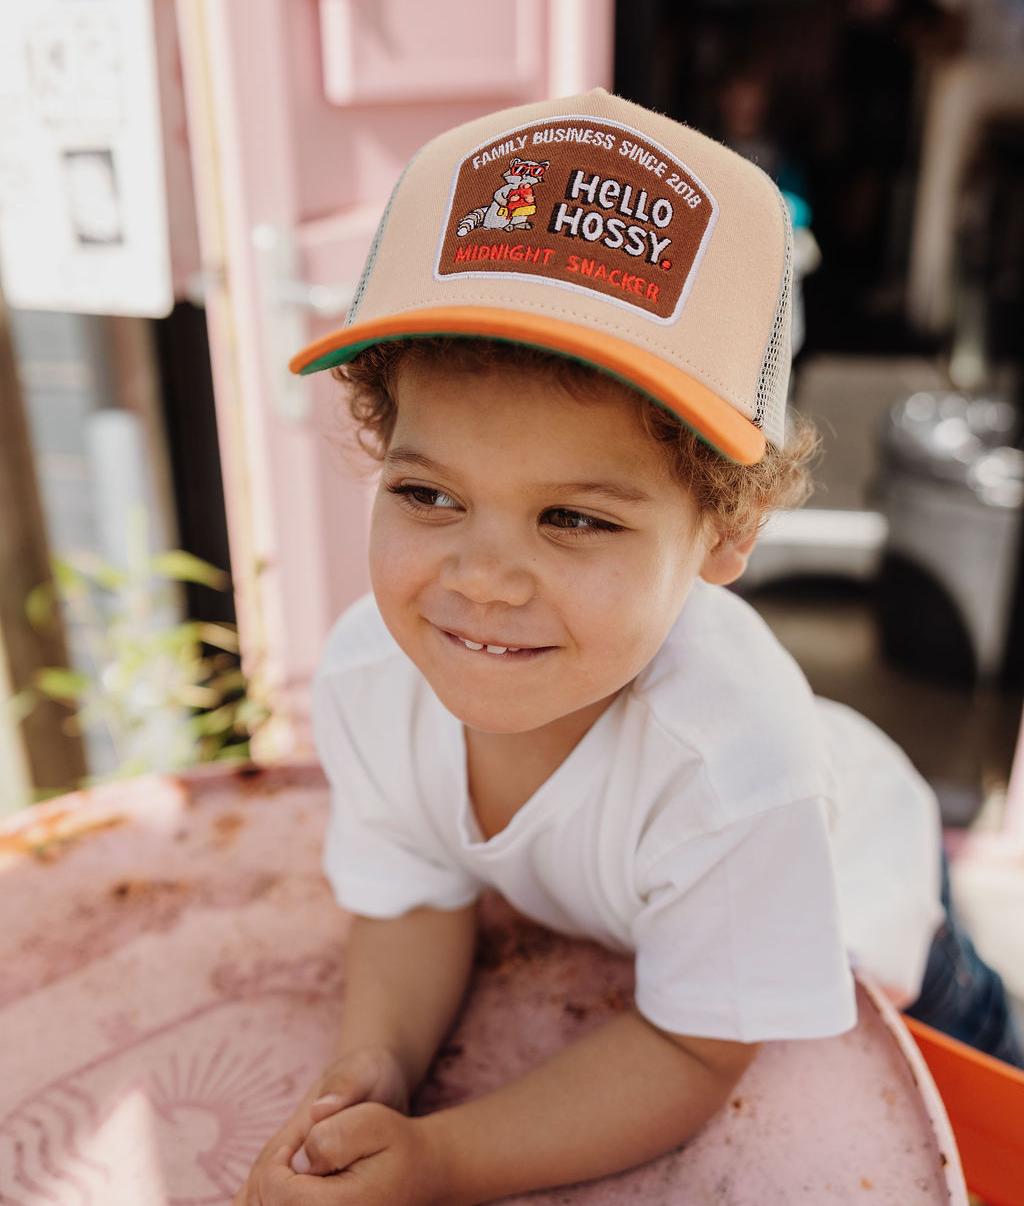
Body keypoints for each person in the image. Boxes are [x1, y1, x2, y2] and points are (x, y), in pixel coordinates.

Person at [232, 87, 1022, 1206]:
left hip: (868, 902)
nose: (481, 580)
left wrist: (442, 1160)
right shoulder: (374, 673)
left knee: (987, 1130)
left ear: (726, 532)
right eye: (427, 493)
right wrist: (377, 1071)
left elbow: (696, 1051)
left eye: (575, 519)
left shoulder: (735, 764)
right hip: (660, 905)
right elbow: (413, 892)